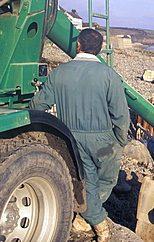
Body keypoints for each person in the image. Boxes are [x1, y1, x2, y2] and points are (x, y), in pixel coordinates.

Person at [29, 28, 130, 242]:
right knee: (107, 179)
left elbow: (38, 105)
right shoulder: (109, 74)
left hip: (70, 138)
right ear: (100, 49)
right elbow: (120, 113)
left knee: (86, 180)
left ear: (78, 46)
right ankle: (97, 220)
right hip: (103, 139)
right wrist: (121, 139)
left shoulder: (59, 72)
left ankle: (86, 215)